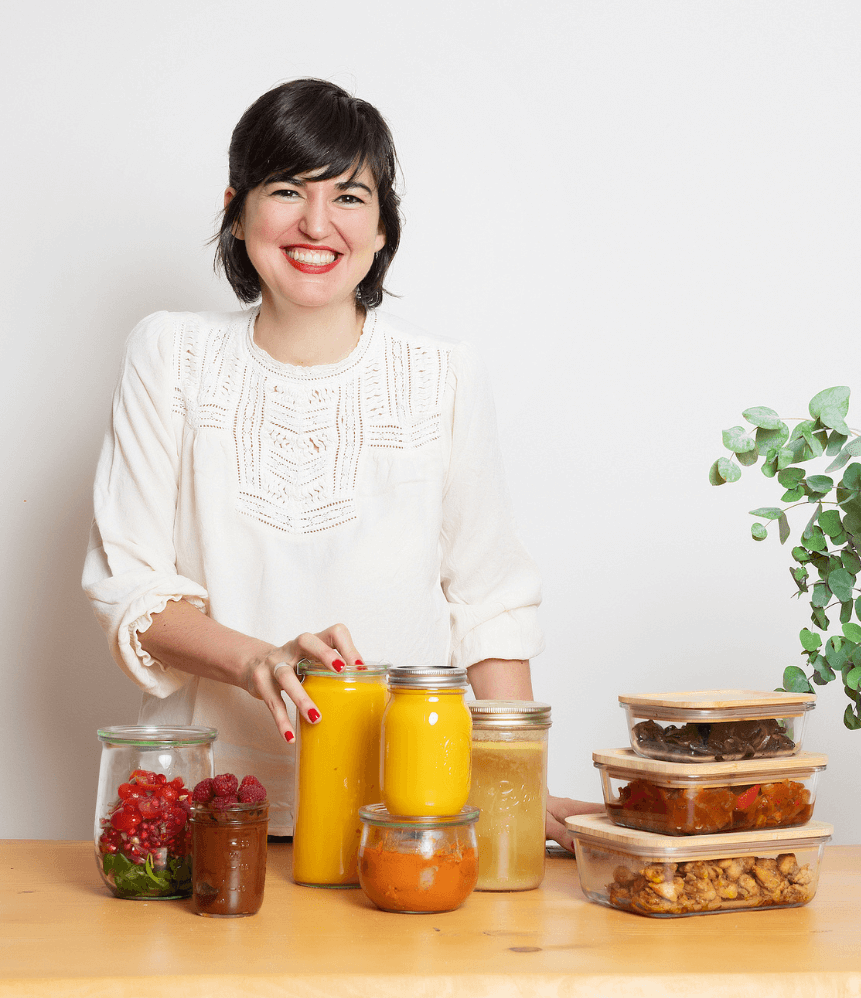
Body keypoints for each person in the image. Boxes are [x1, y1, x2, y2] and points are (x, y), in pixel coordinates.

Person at [83, 78, 600, 844]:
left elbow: (490, 605)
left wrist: (516, 790)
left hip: (408, 809)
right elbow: (133, 587)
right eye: (287, 189)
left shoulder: (445, 374)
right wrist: (261, 660)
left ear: (384, 225)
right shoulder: (170, 355)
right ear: (236, 209)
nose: (316, 223)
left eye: (350, 196)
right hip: (210, 811)